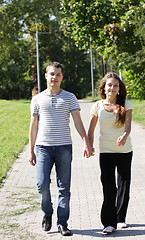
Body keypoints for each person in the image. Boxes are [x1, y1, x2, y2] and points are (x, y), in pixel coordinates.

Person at [29, 62, 93, 236]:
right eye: (51, 74)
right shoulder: (37, 99)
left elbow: (78, 122)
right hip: (43, 148)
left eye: (58, 74)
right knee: (42, 184)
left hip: (64, 147)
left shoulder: (70, 97)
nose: (54, 77)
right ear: (46, 75)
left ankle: (62, 223)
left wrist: (86, 142)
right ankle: (47, 213)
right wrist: (31, 150)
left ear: (62, 77)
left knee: (64, 187)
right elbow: (33, 125)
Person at [88, 72, 133, 234]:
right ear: (104, 88)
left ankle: (121, 218)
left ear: (119, 88)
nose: (112, 88)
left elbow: (128, 125)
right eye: (109, 85)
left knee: (123, 185)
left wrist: (124, 135)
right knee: (108, 186)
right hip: (105, 151)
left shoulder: (126, 104)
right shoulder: (97, 106)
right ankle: (108, 222)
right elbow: (91, 130)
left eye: (115, 85)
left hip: (124, 150)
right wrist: (89, 145)